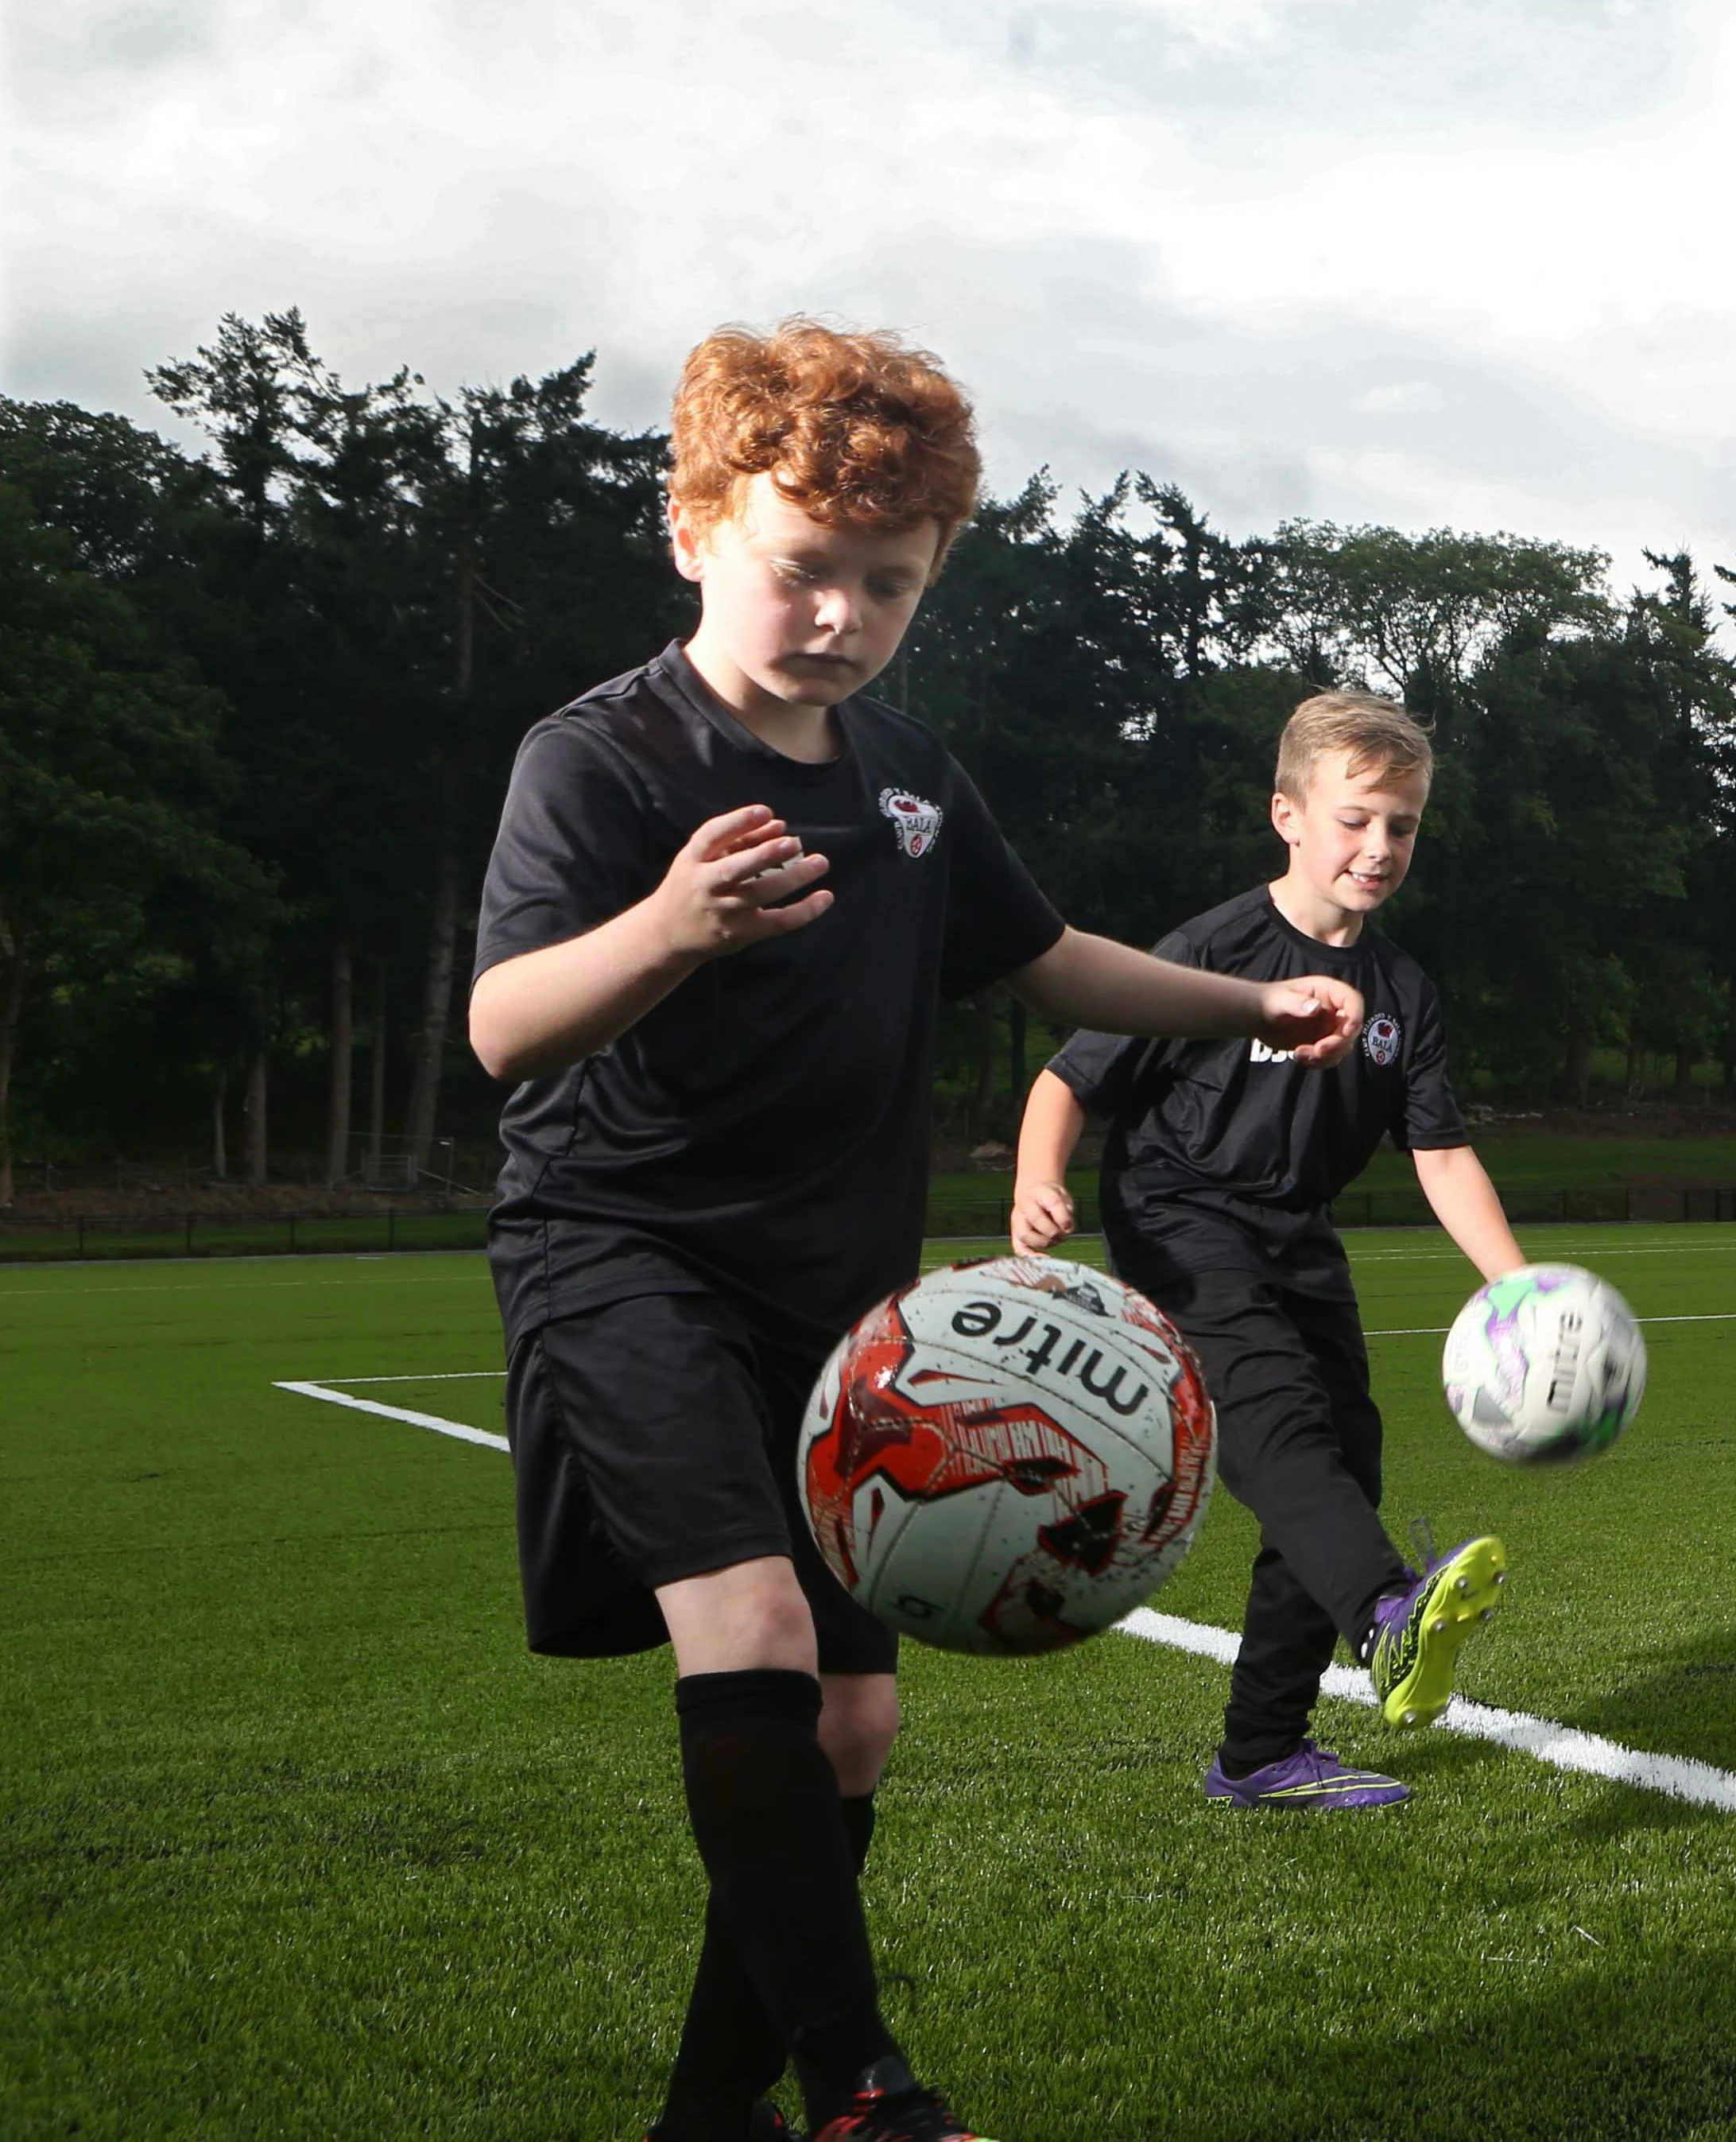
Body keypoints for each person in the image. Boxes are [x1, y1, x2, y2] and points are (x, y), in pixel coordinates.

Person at [469, 322, 1366, 2142]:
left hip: (842, 1306)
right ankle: (863, 2087)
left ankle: (702, 2119)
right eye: (804, 569)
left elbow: (1046, 965)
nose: (840, 618)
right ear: (698, 527)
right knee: (751, 1635)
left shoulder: (909, 776)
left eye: (888, 586)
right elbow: (503, 1029)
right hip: (620, 1251)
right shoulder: (603, 761)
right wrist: (668, 929)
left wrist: (1246, 1004)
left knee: (856, 1735)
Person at [1009, 689, 1533, 1814]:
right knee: (1281, 1425)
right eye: (1355, 819)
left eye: (1401, 825)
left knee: (1342, 1461)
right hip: (1180, 1221)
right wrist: (1036, 1176)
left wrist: (1515, 1282)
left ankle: (1262, 1751)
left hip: (1297, 1234)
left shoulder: (1403, 995)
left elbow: (1440, 1154)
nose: (1379, 846)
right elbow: (1071, 1075)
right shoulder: (1212, 949)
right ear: (1287, 815)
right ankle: (1388, 1613)